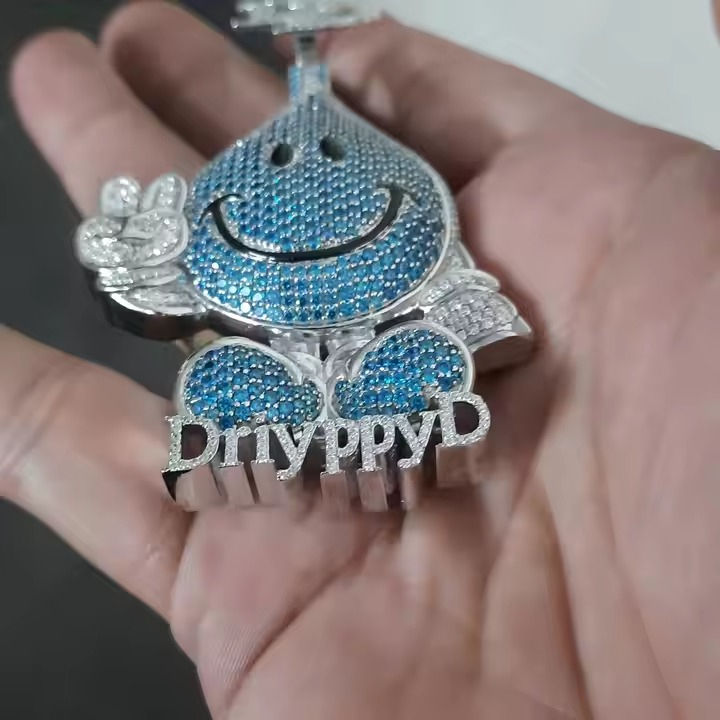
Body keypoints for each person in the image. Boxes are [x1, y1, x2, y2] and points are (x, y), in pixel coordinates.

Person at [4, 2, 719, 718]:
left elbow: (477, 313)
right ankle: (281, 421)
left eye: (330, 162)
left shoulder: (429, 259)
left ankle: (368, 415)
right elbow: (164, 291)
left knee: (408, 363)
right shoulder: (209, 258)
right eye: (280, 167)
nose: (306, 179)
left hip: (393, 376)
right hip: (274, 385)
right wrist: (135, 263)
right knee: (232, 378)